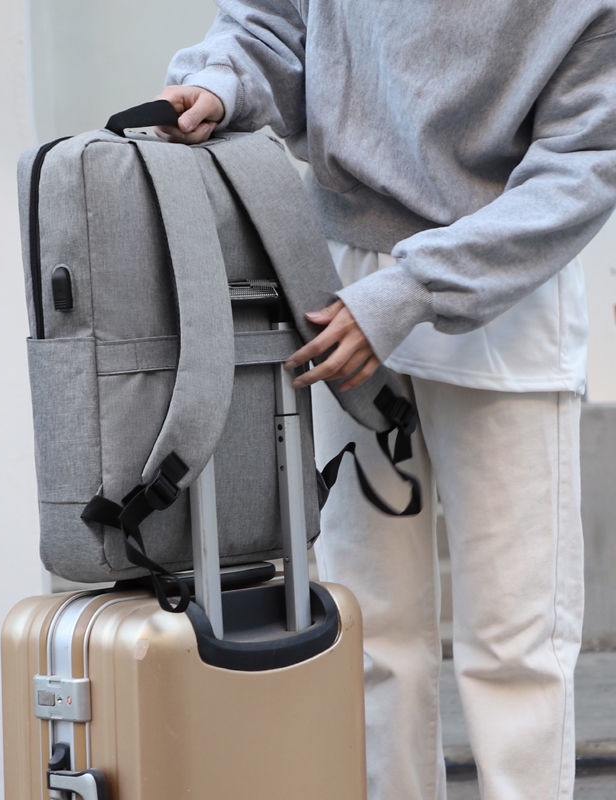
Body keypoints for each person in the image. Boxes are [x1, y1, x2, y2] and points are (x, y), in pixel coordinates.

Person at [157, 2, 616, 799]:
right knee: (371, 632)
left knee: (516, 643)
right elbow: (269, 24)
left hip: (506, 302)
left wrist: (413, 288)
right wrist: (221, 83)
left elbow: (584, 161)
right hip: (339, 292)